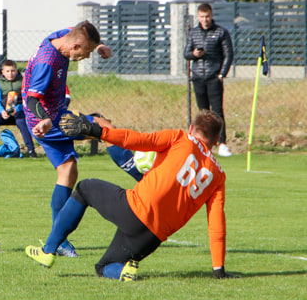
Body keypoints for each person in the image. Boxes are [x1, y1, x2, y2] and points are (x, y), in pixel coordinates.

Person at [25, 110, 230, 281]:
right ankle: (123, 272)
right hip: (153, 237)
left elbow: (136, 140)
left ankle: (48, 250)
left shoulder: (181, 137)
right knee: (104, 267)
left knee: (85, 188)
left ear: (191, 129)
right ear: (216, 139)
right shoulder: (219, 176)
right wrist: (218, 269)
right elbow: (216, 224)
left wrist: (97, 131)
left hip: (135, 210)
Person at [21, 21, 113, 257]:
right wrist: (45, 119)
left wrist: (99, 45)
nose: (86, 57)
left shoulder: (62, 38)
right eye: (87, 53)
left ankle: (58, 240)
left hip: (55, 114)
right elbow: (32, 100)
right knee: (102, 126)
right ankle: (144, 179)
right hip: (46, 121)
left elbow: (80, 30)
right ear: (75, 47)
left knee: (68, 171)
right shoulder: (46, 62)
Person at [184, 3, 233, 157]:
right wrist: (194, 54)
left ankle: (222, 143)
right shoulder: (193, 32)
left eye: (207, 16)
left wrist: (221, 74)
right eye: (202, 17)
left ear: (211, 16)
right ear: (198, 17)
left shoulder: (221, 32)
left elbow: (228, 54)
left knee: (217, 112)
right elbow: (186, 54)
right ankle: (201, 144)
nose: (205, 19)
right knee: (202, 113)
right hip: (198, 76)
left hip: (214, 77)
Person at [0, 59, 37, 158]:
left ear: (17, 70)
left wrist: (18, 109)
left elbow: (27, 100)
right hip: (3, 111)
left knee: (22, 121)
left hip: (18, 110)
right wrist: (1, 111)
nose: (10, 74)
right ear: (3, 72)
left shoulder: (23, 83)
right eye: (7, 71)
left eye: (13, 71)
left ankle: (31, 149)